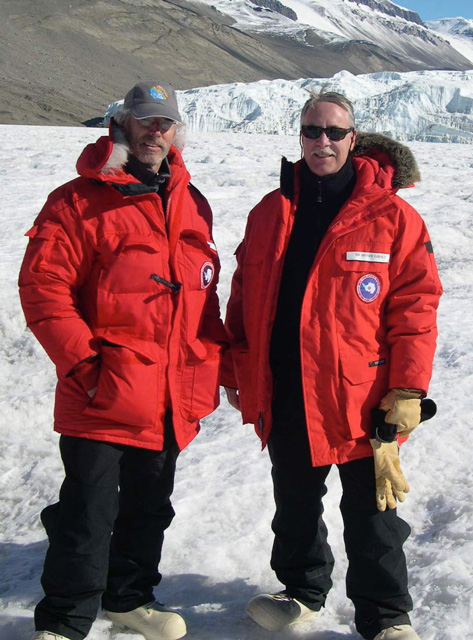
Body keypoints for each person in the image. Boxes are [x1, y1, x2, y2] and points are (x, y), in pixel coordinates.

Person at [221, 89, 442, 640]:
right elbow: (244, 297)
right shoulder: (271, 211)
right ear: (300, 137)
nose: (322, 142)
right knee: (294, 502)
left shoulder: (392, 217)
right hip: (287, 387)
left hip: (362, 395)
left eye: (334, 132)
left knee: (373, 513)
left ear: (353, 138)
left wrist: (408, 388)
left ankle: (386, 615)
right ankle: (301, 590)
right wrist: (238, 373)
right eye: (312, 131)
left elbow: (416, 307)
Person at [19, 80, 227, 640]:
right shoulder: (78, 200)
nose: (154, 132)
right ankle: (65, 619)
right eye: (145, 121)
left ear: (175, 130)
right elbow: (44, 290)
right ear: (123, 125)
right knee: (88, 512)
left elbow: (203, 300)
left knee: (149, 507)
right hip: (102, 388)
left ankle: (130, 598)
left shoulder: (192, 200)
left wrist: (217, 364)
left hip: (167, 393)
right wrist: (87, 367)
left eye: (165, 123)